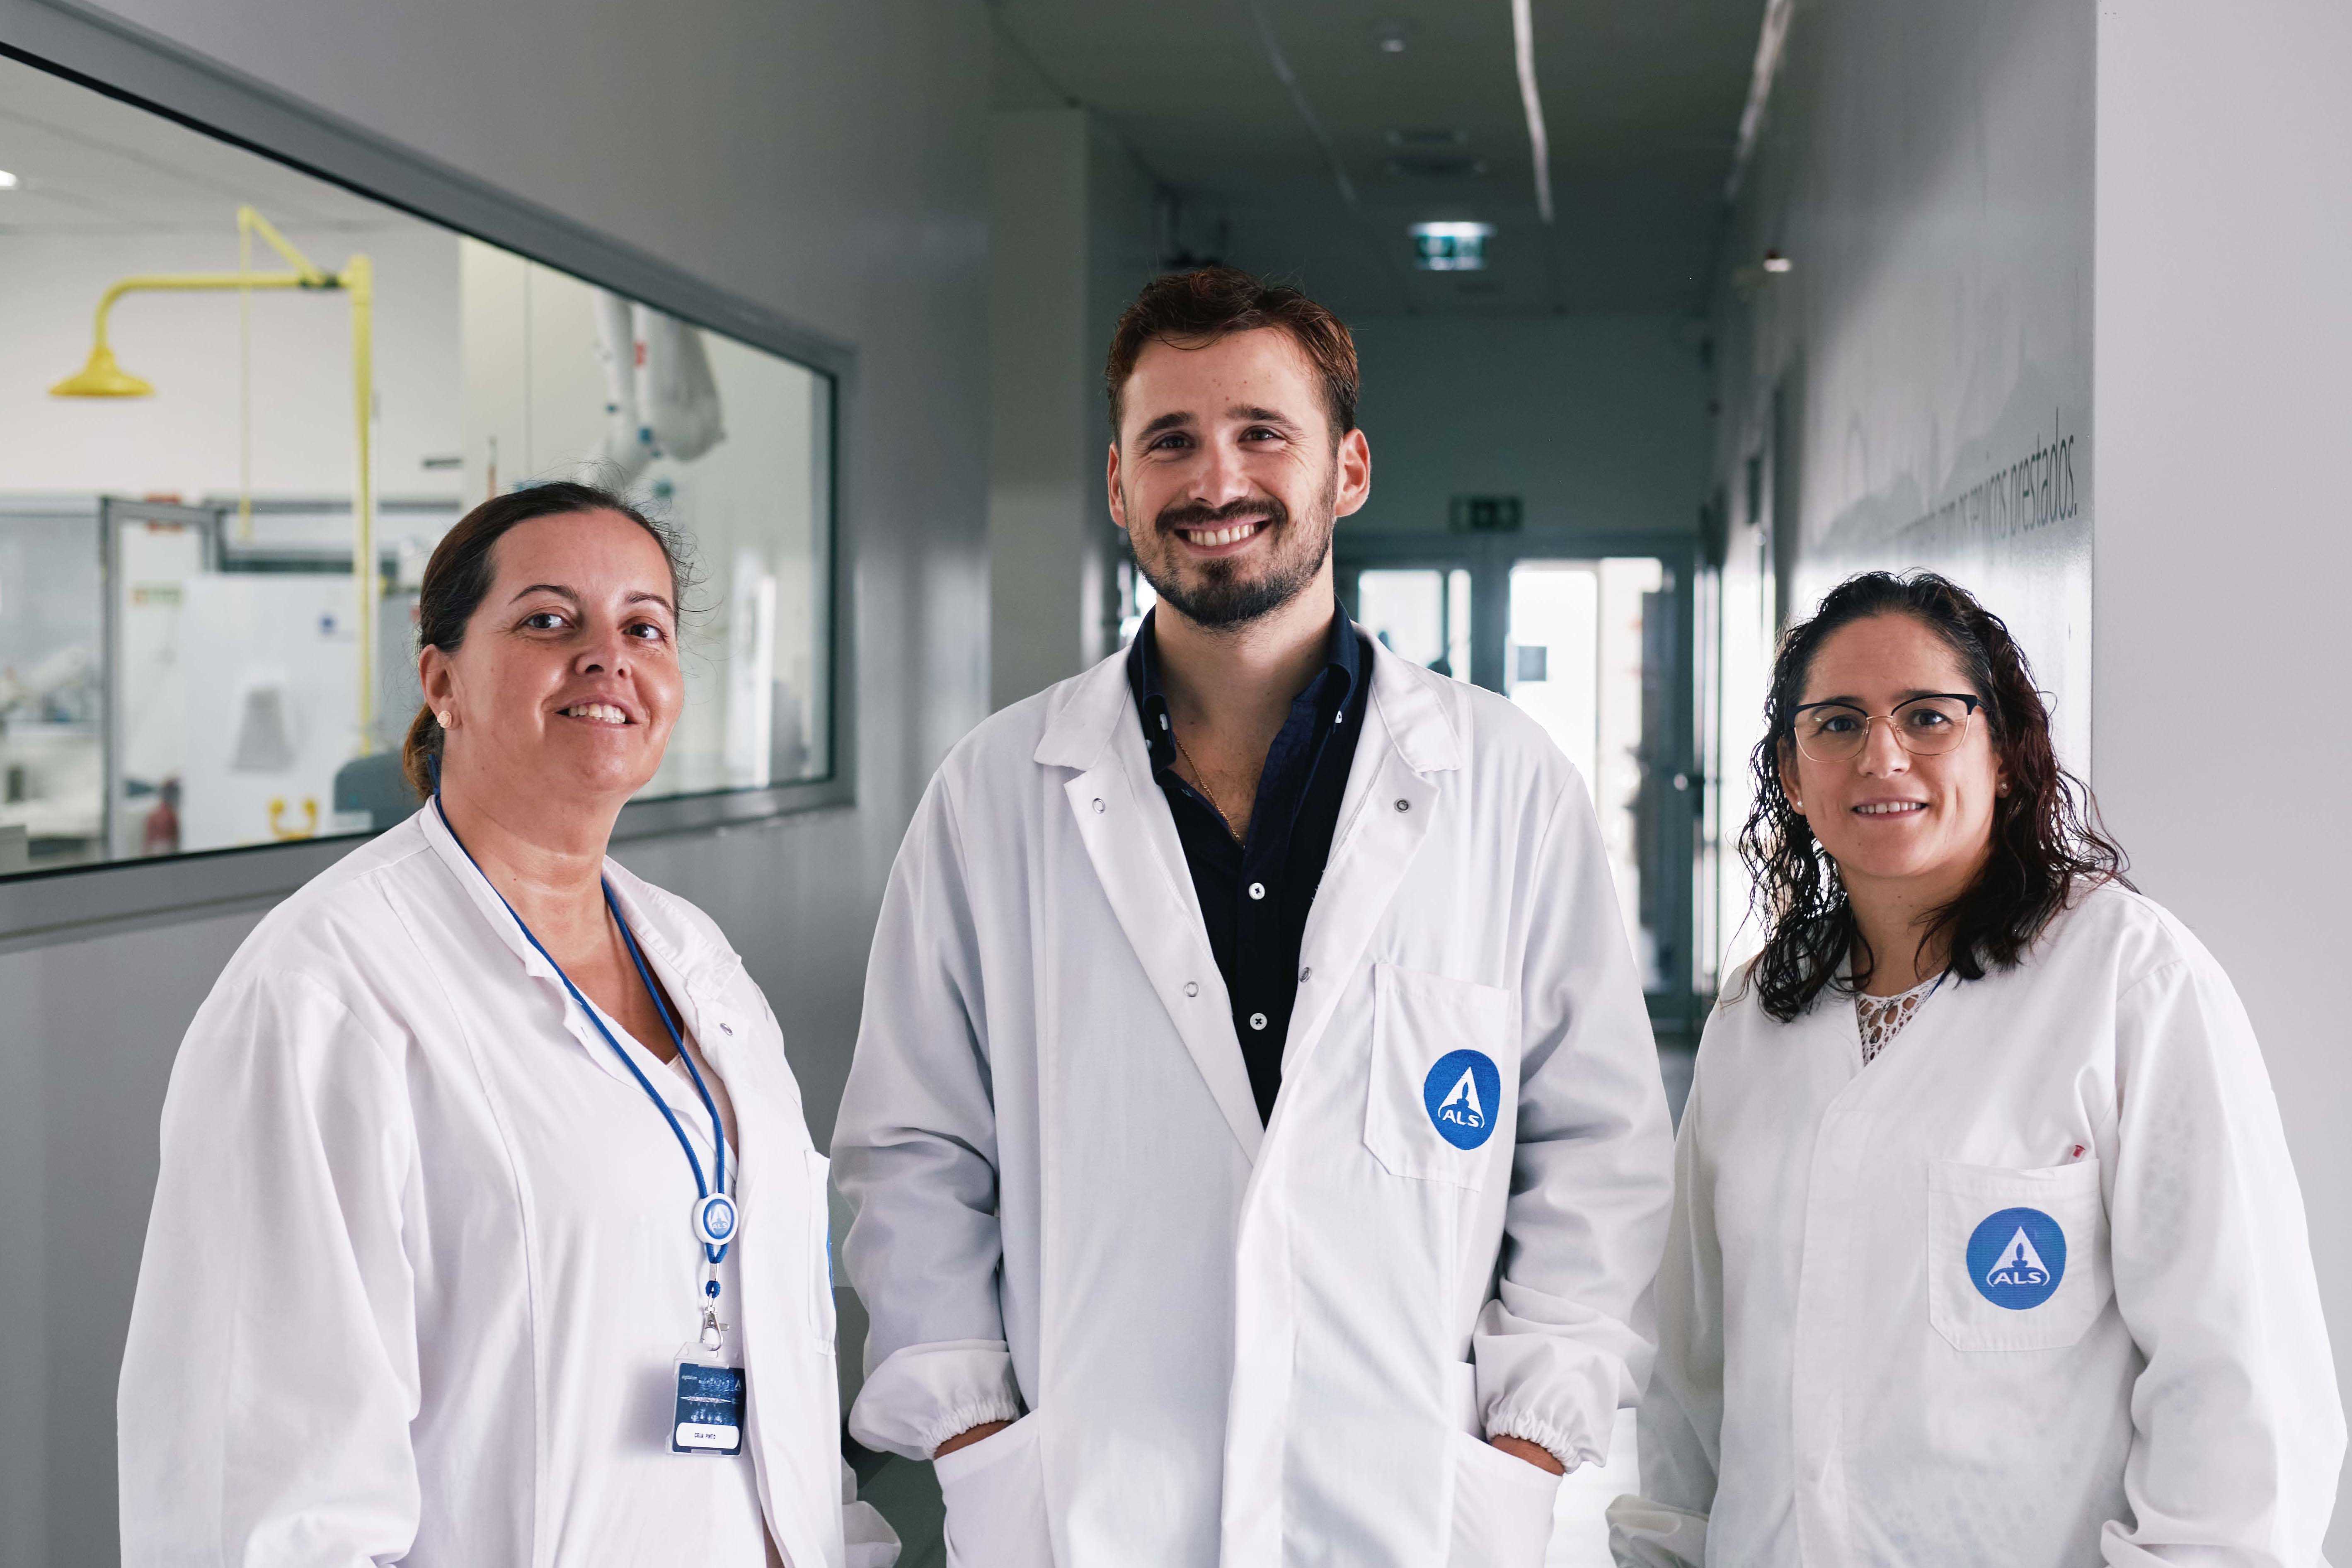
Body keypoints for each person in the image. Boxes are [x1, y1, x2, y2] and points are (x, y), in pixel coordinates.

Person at [832, 268, 1675, 1567]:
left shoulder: (1502, 783)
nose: (1213, 479)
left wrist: (1523, 1447)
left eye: (1260, 434)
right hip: (1095, 1504)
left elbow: (1598, 1151)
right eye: (1167, 440)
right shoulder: (995, 794)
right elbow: (912, 1150)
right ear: (1118, 486)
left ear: (1347, 470)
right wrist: (974, 1436)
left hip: (1407, 1510)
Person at [118, 482, 894, 1568]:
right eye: (547, 621)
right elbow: (263, 1492)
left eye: (643, 628)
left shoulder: (696, 961)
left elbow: (788, 1339)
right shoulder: (325, 997)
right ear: (443, 680)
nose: (606, 658)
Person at [1608, 571, 2344, 1567]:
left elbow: (2240, 1387)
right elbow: (1691, 1383)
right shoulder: (1757, 1018)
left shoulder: (2128, 983)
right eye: (1835, 723)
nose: (1881, 754)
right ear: (1790, 772)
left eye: (1928, 716)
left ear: (2003, 752)